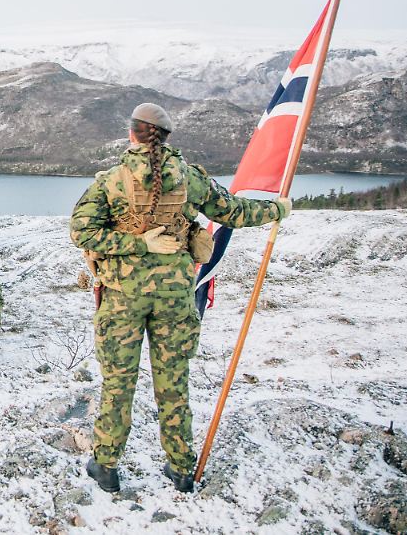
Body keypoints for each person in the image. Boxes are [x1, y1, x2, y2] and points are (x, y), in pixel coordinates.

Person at [70, 103, 292, 494]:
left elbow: (83, 233)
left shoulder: (112, 180)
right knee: (173, 385)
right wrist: (277, 209)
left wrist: (136, 243)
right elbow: (234, 212)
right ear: (166, 138)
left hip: (123, 298)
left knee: (118, 384)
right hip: (174, 297)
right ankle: (181, 468)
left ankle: (106, 467)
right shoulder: (189, 178)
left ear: (132, 134)